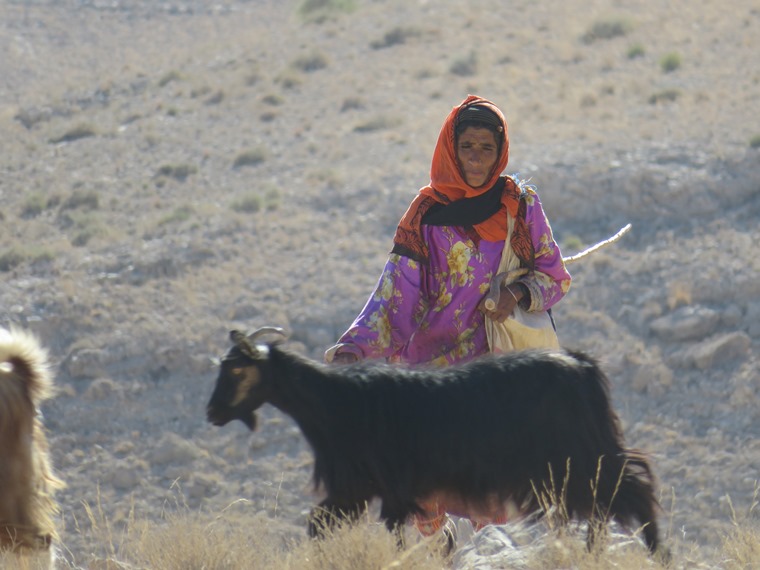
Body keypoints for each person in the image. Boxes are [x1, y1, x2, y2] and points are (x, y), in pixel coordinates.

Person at [325, 94, 571, 368]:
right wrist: (353, 348)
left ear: (500, 153)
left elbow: (554, 277)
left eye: (487, 148)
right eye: (467, 146)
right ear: (451, 150)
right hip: (434, 372)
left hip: (500, 369)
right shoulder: (425, 215)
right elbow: (396, 292)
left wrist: (515, 294)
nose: (476, 158)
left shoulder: (520, 206)